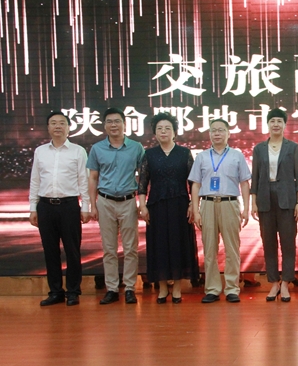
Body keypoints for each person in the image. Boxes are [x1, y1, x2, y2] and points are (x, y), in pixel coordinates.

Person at [29, 111, 90, 306]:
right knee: (50, 251)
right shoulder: (40, 151)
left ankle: (73, 291)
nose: (57, 126)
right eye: (53, 123)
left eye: (62, 123)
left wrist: (86, 206)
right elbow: (35, 180)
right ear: (48, 127)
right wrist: (33, 207)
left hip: (69, 206)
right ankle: (55, 292)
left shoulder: (78, 151)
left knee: (72, 250)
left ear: (68, 127)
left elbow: (83, 180)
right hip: (45, 206)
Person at [138, 112, 199, 304]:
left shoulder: (184, 153)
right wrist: (142, 205)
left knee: (179, 243)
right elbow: (142, 182)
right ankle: (163, 288)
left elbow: (193, 182)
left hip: (180, 205)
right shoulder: (149, 154)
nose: (163, 131)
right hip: (156, 206)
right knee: (159, 245)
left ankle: (178, 289)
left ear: (174, 132)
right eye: (159, 128)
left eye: (167, 128)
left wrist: (193, 204)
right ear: (155, 132)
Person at [189, 119, 251, 303]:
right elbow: (195, 184)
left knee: (232, 248)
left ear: (228, 133)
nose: (217, 133)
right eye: (213, 130)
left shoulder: (237, 155)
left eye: (221, 130)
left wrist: (246, 208)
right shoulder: (201, 157)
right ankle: (212, 289)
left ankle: (232, 288)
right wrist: (196, 210)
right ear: (209, 134)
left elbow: (244, 183)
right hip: (207, 204)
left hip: (229, 203)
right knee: (209, 249)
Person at [88, 108, 145, 304]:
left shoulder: (136, 147)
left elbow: (143, 176)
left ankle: (129, 288)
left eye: (117, 121)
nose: (114, 125)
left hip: (128, 201)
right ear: (104, 126)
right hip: (105, 201)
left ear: (124, 124)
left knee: (131, 248)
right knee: (109, 248)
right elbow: (93, 177)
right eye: (110, 121)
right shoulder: (97, 149)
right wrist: (92, 205)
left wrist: (142, 202)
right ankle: (112, 288)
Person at [250, 108, 298, 303]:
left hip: (287, 199)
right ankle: (274, 282)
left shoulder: (293, 147)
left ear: (284, 125)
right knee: (268, 243)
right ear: (267, 124)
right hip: (265, 199)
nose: (276, 124)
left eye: (279, 121)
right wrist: (253, 202)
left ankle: (286, 282)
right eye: (272, 121)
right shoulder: (259, 149)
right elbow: (255, 177)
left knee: (288, 243)